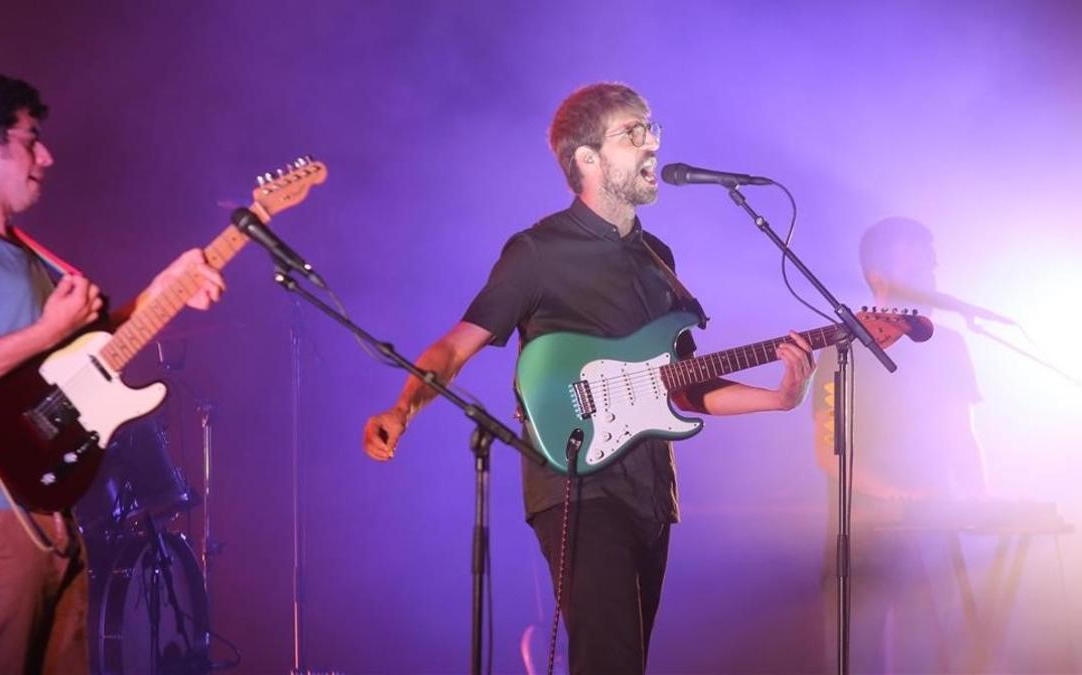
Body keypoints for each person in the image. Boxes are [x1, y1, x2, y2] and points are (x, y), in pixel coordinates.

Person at [362, 82, 816, 674]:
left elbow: (685, 386)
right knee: (611, 661)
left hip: (651, 492)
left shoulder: (659, 257)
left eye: (652, 127)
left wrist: (780, 398)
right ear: (587, 158)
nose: (652, 142)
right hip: (576, 481)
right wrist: (404, 408)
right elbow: (454, 345)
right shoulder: (538, 251)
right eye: (635, 131)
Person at [0, 71, 225, 674]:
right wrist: (48, 330)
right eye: (31, 139)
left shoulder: (25, 253)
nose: (46, 156)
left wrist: (166, 290)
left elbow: (92, 355)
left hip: (50, 512)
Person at [813, 217, 988, 673]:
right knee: (861, 655)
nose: (933, 272)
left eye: (932, 263)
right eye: (920, 263)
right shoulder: (840, 348)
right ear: (878, 277)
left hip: (934, 531)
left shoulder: (948, 345)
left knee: (935, 653)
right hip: (862, 534)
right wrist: (899, 497)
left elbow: (961, 438)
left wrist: (983, 507)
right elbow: (826, 452)